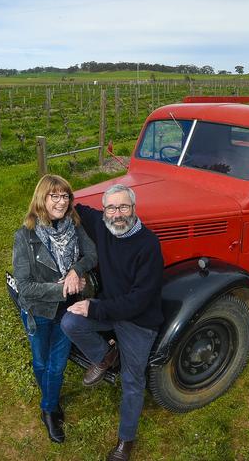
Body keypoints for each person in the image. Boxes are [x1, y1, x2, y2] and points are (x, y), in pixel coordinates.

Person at [61, 184, 164, 461]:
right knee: (70, 322)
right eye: (111, 207)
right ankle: (107, 354)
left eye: (123, 207)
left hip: (138, 321)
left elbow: (138, 301)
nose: (117, 214)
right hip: (109, 307)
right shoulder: (102, 225)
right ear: (104, 210)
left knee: (132, 381)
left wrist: (96, 309)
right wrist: (56, 193)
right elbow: (74, 205)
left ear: (133, 209)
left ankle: (125, 442)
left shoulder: (148, 244)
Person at [12, 174, 97, 443]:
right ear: (42, 198)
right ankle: (50, 397)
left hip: (67, 309)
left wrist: (75, 270)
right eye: (55, 196)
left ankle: (48, 410)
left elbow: (91, 254)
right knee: (40, 361)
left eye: (65, 196)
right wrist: (60, 288)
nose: (62, 202)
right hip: (38, 310)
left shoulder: (74, 224)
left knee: (57, 365)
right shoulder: (25, 236)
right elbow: (24, 286)